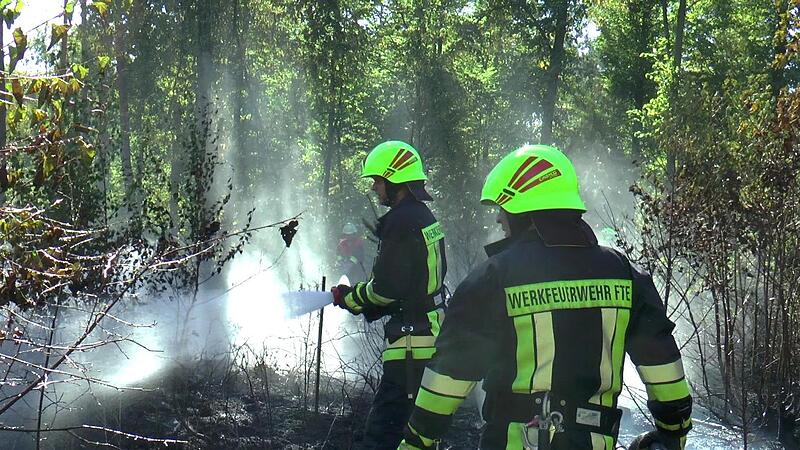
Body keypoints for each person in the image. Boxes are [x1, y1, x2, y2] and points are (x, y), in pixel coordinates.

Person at [398, 145, 692, 450]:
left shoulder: (494, 278)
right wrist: (673, 433)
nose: (499, 218)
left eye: (503, 208)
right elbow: (664, 369)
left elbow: (449, 377)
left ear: (524, 211)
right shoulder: (624, 273)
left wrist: (417, 441)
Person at [331, 140, 448, 450]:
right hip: (428, 335)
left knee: (383, 434)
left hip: (409, 346)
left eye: (378, 181)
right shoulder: (424, 217)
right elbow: (410, 285)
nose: (375, 189)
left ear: (395, 180)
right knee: (418, 433)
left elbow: (385, 289)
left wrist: (350, 298)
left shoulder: (400, 222)